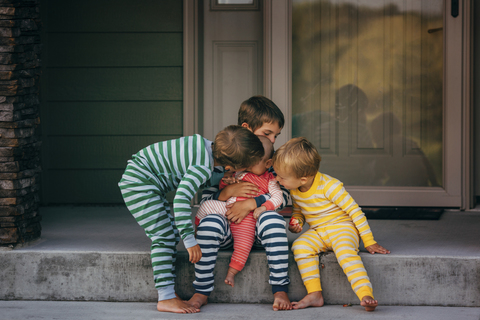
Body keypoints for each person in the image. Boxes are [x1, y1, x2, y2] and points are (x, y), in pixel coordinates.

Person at [118, 125, 264, 314]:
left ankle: (168, 292)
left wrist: (221, 175)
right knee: (164, 237)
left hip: (144, 179)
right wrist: (189, 240)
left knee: (169, 234)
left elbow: (187, 170)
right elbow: (180, 200)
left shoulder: (203, 147)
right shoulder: (202, 167)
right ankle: (165, 297)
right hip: (138, 184)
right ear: (230, 166)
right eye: (244, 168)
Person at [188, 95, 293, 311]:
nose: (273, 140)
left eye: (276, 135)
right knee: (209, 224)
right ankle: (201, 290)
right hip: (228, 230)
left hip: (258, 233)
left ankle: (280, 287)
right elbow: (205, 203)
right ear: (246, 128)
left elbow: (284, 199)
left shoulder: (270, 163)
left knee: (272, 220)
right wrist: (227, 192)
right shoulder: (224, 163)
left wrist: (253, 203)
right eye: (267, 133)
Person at [272, 137, 390, 312]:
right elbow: (299, 210)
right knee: (300, 246)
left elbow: (355, 212)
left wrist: (368, 240)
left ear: (303, 179)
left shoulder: (330, 186)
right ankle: (315, 294)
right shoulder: (295, 189)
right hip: (319, 231)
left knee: (345, 253)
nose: (277, 180)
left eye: (281, 177)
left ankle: (365, 294)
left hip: (342, 228)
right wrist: (297, 222)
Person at [195, 136, 283, 287]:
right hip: (228, 210)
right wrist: (226, 185)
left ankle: (232, 272)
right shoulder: (237, 171)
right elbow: (216, 191)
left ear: (268, 163)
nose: (246, 165)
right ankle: (197, 230)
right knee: (207, 206)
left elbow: (278, 198)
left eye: (252, 161)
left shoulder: (270, 179)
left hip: (249, 219)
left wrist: (261, 205)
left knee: (243, 246)